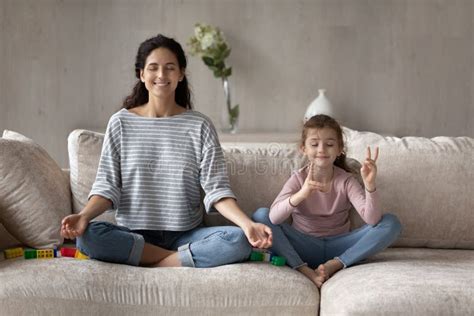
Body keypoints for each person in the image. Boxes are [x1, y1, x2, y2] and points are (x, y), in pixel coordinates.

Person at [60, 34, 272, 268]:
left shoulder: (199, 125)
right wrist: (83, 217)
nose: (161, 75)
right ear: (141, 74)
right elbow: (107, 187)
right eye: (153, 68)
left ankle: (148, 259)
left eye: (170, 68)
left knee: (239, 240)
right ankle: (180, 259)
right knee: (89, 236)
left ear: (181, 74)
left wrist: (246, 224)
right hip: (135, 234)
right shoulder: (120, 123)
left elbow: (217, 190)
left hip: (185, 236)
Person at [252, 114, 401, 287]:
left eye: (329, 144)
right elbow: (274, 218)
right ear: (304, 148)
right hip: (303, 246)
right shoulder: (298, 179)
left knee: (391, 223)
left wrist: (369, 185)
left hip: (341, 245)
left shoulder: (346, 180)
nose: (322, 149)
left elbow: (372, 220)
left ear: (339, 149)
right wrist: (302, 193)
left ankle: (336, 264)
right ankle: (302, 269)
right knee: (261, 215)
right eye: (314, 144)